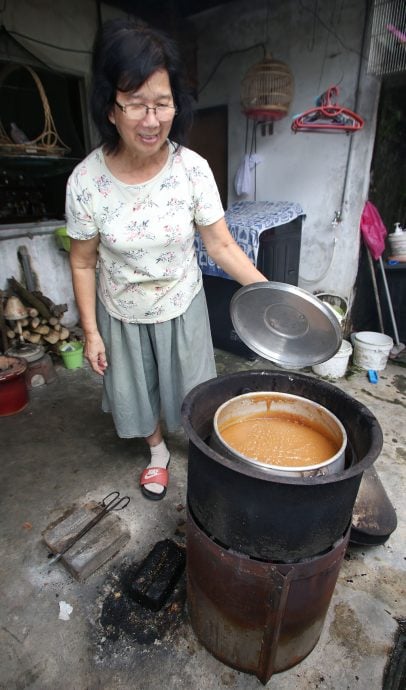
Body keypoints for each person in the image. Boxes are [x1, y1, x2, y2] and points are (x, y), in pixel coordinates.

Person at [65, 17, 267, 501]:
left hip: (182, 301)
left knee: (196, 392)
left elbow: (220, 245)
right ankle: (157, 452)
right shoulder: (86, 182)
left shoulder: (192, 171)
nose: (151, 120)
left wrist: (271, 298)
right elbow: (83, 262)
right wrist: (91, 331)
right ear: (111, 109)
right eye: (135, 104)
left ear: (177, 103)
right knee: (138, 394)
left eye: (162, 103)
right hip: (122, 312)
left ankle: (200, 450)